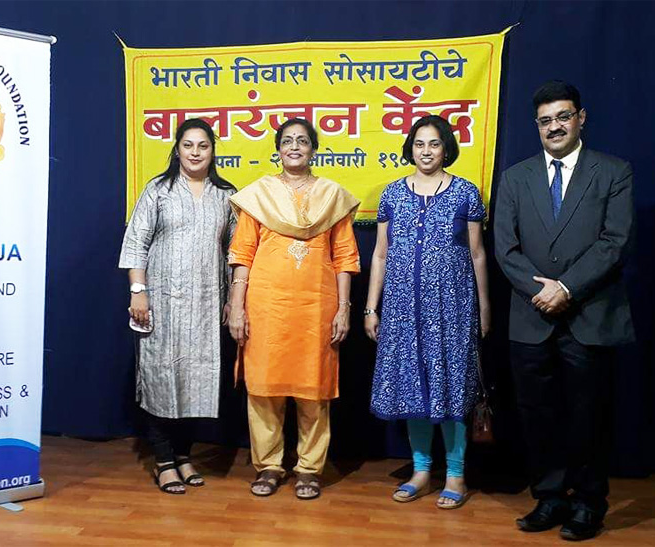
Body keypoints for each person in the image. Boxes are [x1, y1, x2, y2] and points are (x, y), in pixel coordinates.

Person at [494, 81, 634, 540]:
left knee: (588, 415)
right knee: (538, 415)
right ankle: (550, 498)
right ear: (537, 126)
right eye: (545, 120)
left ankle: (589, 504)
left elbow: (615, 242)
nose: (554, 126)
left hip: (589, 315)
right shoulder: (515, 177)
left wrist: (567, 288)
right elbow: (505, 248)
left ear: (580, 118)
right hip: (531, 317)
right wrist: (542, 291)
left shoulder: (613, 171)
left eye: (563, 116)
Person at [227, 118, 360, 500]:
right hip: (266, 306)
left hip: (316, 308)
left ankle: (309, 469)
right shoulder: (259, 196)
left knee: (313, 390)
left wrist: (344, 308)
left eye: (303, 141)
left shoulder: (332, 197)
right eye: (288, 141)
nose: (295, 147)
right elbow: (242, 254)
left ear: (313, 149)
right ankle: (268, 465)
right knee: (264, 390)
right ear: (278, 149)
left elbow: (345, 257)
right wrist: (237, 307)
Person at [365, 115, 490, 509]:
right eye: (419, 143)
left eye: (434, 143)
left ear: (446, 147)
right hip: (402, 310)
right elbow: (380, 254)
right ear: (410, 148)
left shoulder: (465, 192)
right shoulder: (392, 194)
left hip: (452, 309)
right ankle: (420, 471)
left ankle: (456, 474)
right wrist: (371, 307)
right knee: (412, 387)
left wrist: (484, 307)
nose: (426, 151)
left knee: (451, 388)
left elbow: (477, 254)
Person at [118, 118, 236, 494]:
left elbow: (236, 252)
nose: (195, 153)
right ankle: (164, 461)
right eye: (188, 145)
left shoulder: (226, 194)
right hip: (162, 303)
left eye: (203, 145)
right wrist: (138, 291)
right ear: (177, 149)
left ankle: (184, 456)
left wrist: (233, 298)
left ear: (212, 150)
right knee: (161, 379)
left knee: (194, 381)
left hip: (205, 305)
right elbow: (136, 242)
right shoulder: (159, 190)